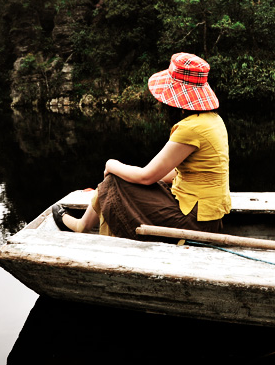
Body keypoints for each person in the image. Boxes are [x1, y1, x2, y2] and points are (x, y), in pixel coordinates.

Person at [52, 52, 230, 240]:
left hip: (193, 222)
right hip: (208, 217)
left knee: (113, 180)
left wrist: (111, 164)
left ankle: (81, 226)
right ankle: (85, 223)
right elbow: (178, 173)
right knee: (124, 181)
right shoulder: (213, 120)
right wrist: (137, 180)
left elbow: (146, 177)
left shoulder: (191, 128)